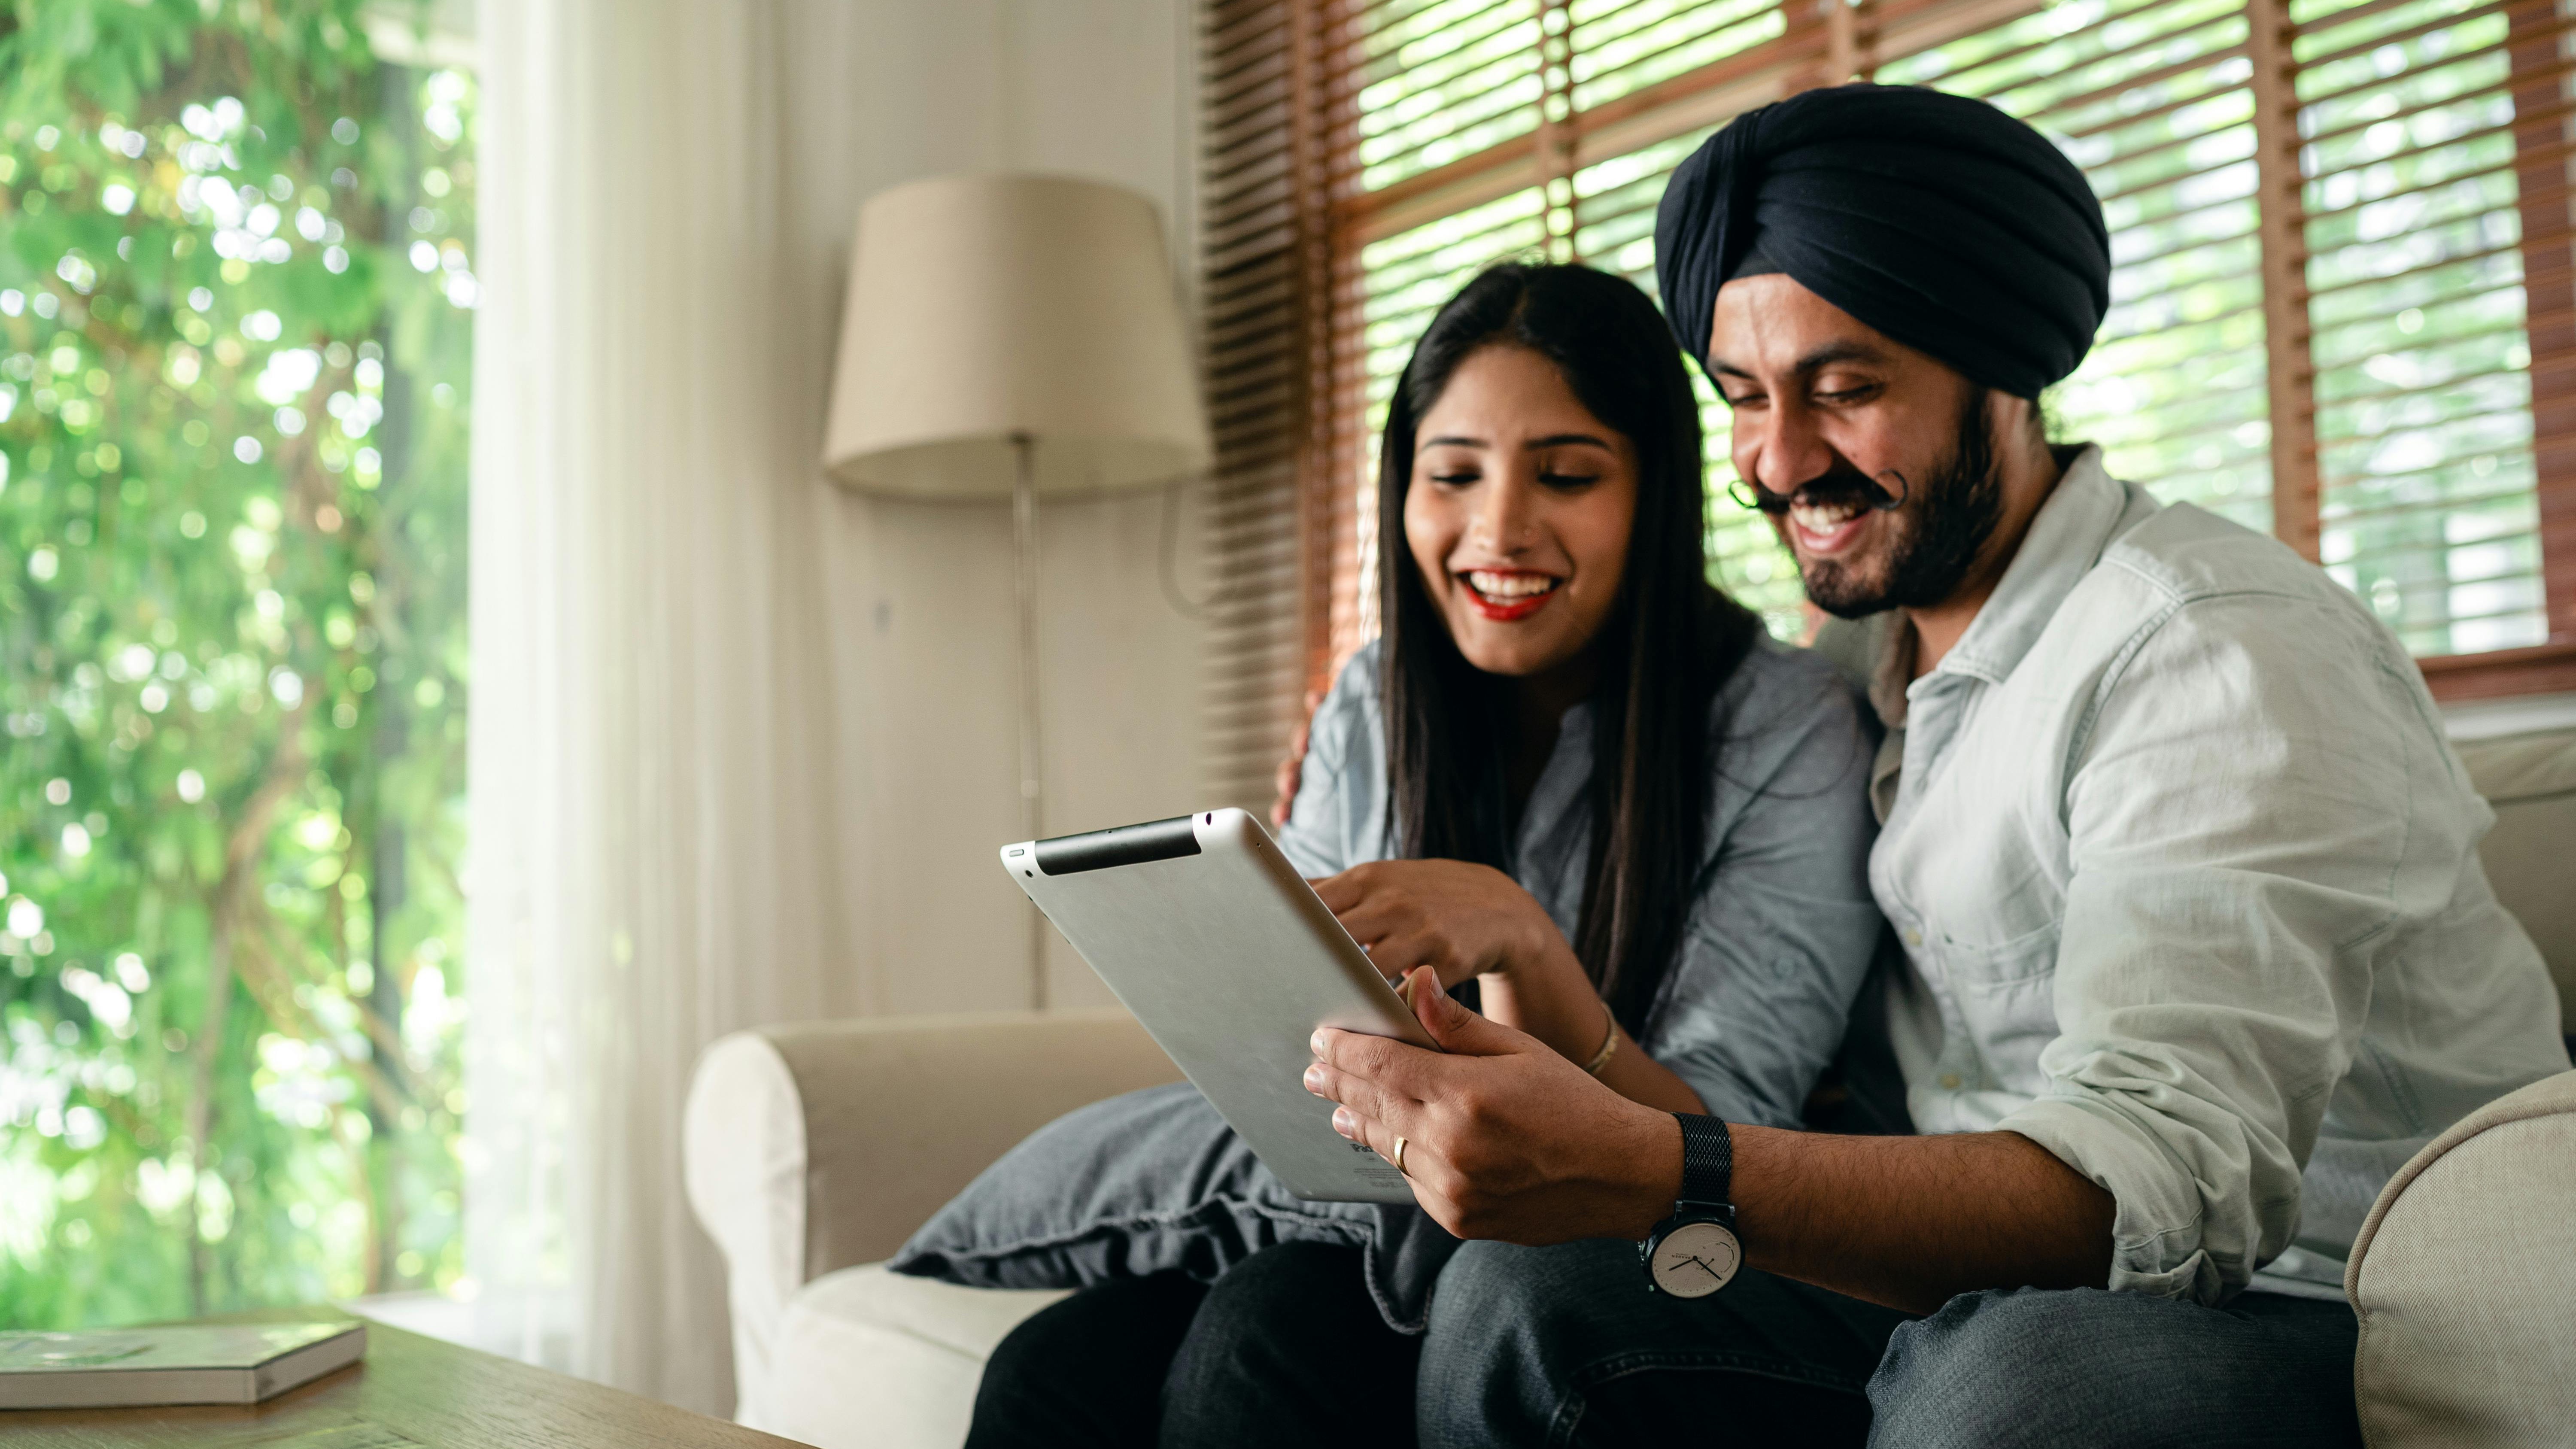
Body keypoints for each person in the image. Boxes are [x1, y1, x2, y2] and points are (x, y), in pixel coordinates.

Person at [1297, 83, 2573, 1446]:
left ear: (2006, 370)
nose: (1779, 463)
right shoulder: (1856, 682)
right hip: (1979, 1293)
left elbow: (2153, 1203)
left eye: (1844, 391)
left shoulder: (2211, 650)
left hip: (2326, 1300)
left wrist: (1648, 1166)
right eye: (1743, 398)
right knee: (1529, 1295)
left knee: (2011, 1388)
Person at [965, 262, 1894, 1449]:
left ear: (1655, 494)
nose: (1498, 531)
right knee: (1048, 1371)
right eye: (1452, 475)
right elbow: (1295, 1043)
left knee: (1267, 1332)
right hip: (1383, 1214)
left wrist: (1524, 944)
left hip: (1627, 1262)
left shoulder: (1788, 730)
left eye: (1566, 476)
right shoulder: (1372, 701)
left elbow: (1726, 1149)